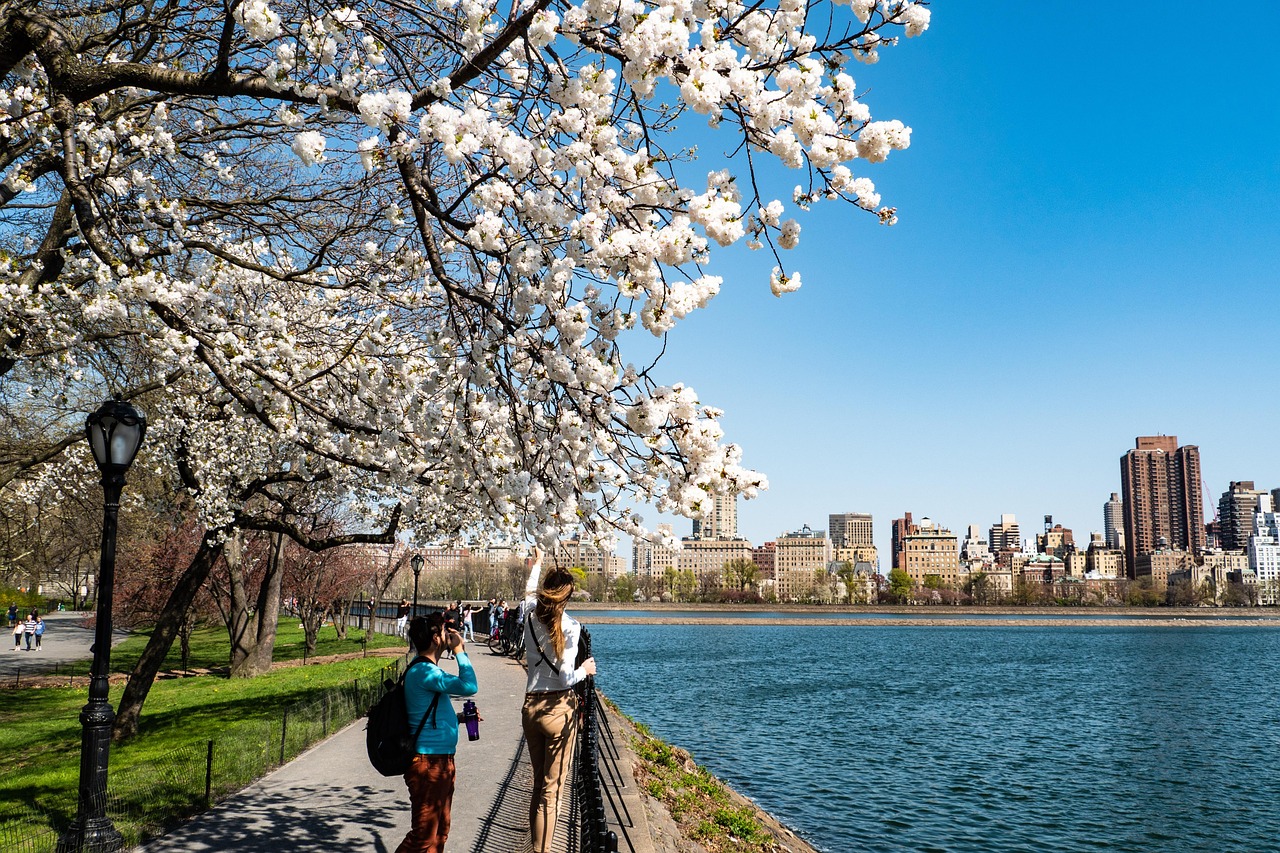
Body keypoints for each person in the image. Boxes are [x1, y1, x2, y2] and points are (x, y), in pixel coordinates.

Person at [521, 546, 597, 853]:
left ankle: (536, 847)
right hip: (558, 709)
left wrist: (537, 563)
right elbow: (567, 678)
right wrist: (584, 670)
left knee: (539, 785)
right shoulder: (571, 627)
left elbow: (528, 591)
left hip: (531, 707)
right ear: (567, 597)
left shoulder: (528, 615)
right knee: (552, 793)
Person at [397, 612, 478, 853]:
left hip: (440, 760)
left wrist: (459, 718)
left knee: (440, 832)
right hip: (428, 763)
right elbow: (470, 686)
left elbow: (426, 712)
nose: (448, 635)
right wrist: (460, 651)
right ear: (435, 638)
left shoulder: (427, 671)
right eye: (444, 631)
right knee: (423, 836)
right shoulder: (425, 672)